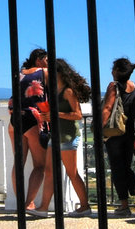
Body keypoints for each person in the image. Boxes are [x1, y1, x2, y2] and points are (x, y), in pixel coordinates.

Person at [32, 58, 92, 217]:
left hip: (67, 137)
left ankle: (85, 206)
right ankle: (43, 207)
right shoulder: (55, 90)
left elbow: (78, 115)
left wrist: (55, 114)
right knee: (49, 172)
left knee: (72, 173)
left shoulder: (68, 91)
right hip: (56, 136)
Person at [8, 48, 49, 213]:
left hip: (15, 120)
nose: (48, 62)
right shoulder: (43, 72)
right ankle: (28, 203)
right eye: (46, 59)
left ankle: (19, 202)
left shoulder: (20, 73)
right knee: (40, 165)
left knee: (19, 162)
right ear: (39, 60)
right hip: (33, 119)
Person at [101, 57, 135, 216]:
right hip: (130, 132)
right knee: (125, 166)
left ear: (117, 71)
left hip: (115, 132)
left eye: (113, 68)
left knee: (117, 168)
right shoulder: (134, 86)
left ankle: (124, 205)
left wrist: (100, 129)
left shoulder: (113, 86)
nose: (111, 71)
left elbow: (107, 109)